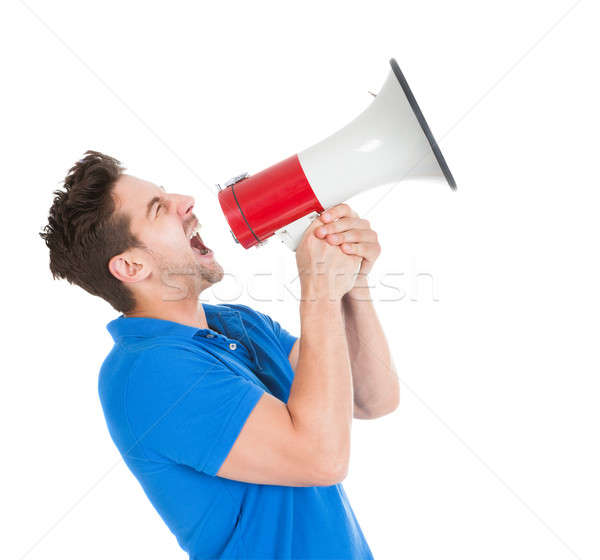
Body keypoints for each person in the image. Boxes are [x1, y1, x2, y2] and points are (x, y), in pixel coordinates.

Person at [40, 150, 399, 559]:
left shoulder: (237, 324)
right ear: (131, 266)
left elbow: (371, 399)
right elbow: (323, 457)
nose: (185, 201)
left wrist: (353, 282)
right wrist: (318, 289)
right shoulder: (146, 372)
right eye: (159, 208)